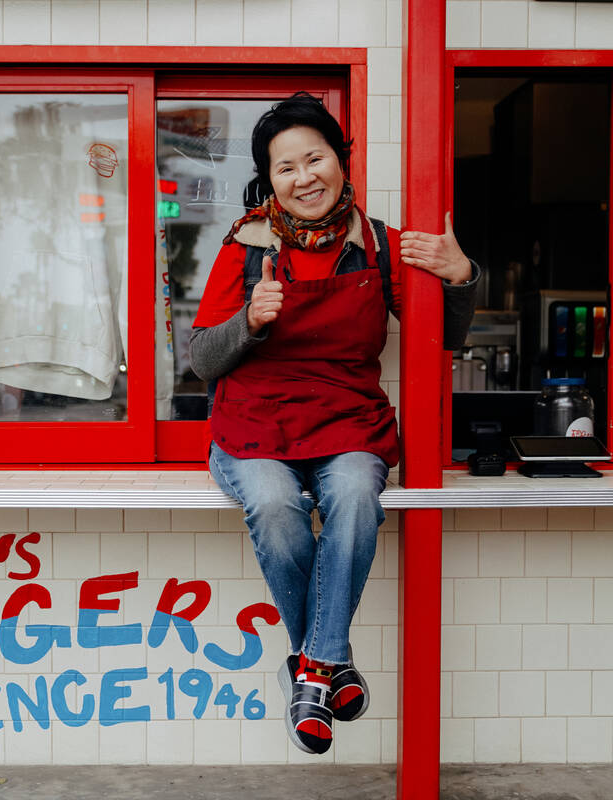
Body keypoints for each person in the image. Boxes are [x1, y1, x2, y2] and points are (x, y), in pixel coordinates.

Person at [189, 92, 478, 755]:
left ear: (341, 162)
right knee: (271, 501)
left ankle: (310, 668)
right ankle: (329, 663)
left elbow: (443, 335)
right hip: (254, 426)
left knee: (353, 492)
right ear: (269, 180)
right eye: (285, 167)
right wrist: (250, 322)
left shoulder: (379, 245)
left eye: (314, 158)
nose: (304, 177)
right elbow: (203, 359)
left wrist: (461, 276)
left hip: (347, 425)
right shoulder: (244, 245)